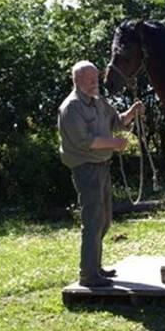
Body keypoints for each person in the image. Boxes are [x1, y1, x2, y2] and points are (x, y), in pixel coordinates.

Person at [57, 60, 145, 287]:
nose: (95, 83)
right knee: (93, 221)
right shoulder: (71, 107)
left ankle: (95, 267)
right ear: (76, 80)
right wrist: (114, 144)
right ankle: (88, 275)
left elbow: (117, 122)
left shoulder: (99, 102)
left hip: (102, 166)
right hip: (85, 168)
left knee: (104, 220)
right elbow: (85, 142)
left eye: (96, 78)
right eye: (89, 79)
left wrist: (132, 113)